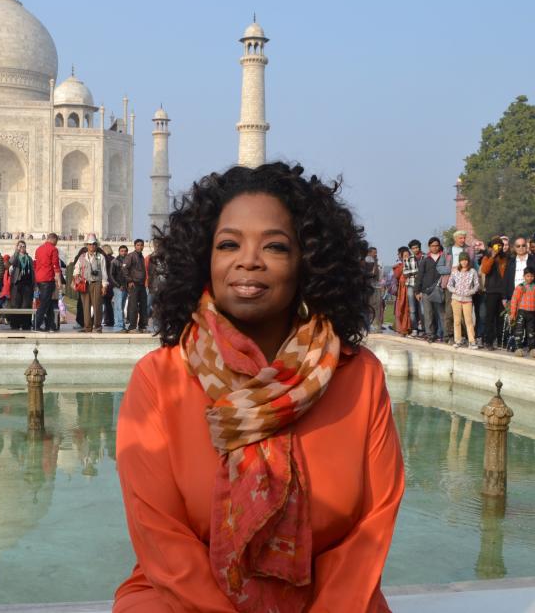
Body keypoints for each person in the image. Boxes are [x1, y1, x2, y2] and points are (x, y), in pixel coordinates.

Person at [115, 163, 403, 612]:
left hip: (331, 597)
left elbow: (371, 527)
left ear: (309, 261)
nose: (248, 259)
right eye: (229, 244)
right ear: (203, 260)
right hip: (182, 598)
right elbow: (162, 540)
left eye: (274, 246)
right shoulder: (160, 378)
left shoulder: (358, 376)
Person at [73, 234, 109, 333]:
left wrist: (104, 285)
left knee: (97, 305)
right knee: (86, 306)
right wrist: (77, 277)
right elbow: (76, 269)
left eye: (94, 244)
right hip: (85, 283)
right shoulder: (82, 256)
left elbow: (104, 272)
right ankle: (88, 327)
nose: (92, 246)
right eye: (90, 244)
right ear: (87, 245)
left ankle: (97, 327)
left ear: (96, 245)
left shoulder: (100, 257)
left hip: (96, 283)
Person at [415, 237, 448, 343]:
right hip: (426, 291)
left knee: (441, 313)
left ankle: (446, 334)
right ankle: (430, 334)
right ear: (429, 247)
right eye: (433, 245)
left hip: (439, 290)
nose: (435, 247)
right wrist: (417, 291)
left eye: (437, 245)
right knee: (428, 313)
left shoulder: (445, 258)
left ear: (439, 246)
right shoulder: (425, 260)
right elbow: (419, 276)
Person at [479, 236, 508, 350]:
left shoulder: (505, 257)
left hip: (503, 291)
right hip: (491, 291)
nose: (498, 247)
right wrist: (492, 256)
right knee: (489, 318)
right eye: (496, 245)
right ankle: (488, 341)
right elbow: (485, 270)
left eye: (500, 245)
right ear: (491, 247)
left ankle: (501, 341)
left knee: (501, 318)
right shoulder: (486, 257)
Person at [447, 252, 479, 349]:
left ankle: (472, 341)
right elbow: (449, 285)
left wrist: (470, 292)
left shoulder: (472, 271)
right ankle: (458, 340)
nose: (464, 262)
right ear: (459, 261)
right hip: (456, 299)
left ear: (468, 261)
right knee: (457, 321)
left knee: (468, 320)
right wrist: (455, 290)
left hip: (467, 299)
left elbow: (477, 285)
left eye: (465, 260)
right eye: (462, 260)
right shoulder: (455, 271)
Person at [509, 268, 535, 357]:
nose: (530, 278)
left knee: (531, 332)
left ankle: (532, 349)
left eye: (531, 276)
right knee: (519, 330)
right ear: (524, 276)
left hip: (532, 312)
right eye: (528, 276)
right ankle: (518, 348)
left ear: (534, 277)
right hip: (522, 312)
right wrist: (512, 313)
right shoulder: (520, 287)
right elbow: (514, 300)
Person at [34, 233, 62, 332]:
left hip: (39, 279)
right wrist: (59, 281)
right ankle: (36, 325)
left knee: (48, 302)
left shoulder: (39, 249)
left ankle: (51, 325)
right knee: (44, 303)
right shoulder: (53, 249)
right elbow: (55, 266)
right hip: (48, 278)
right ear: (54, 239)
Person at [8, 240, 34, 330]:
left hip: (27, 284)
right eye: (20, 246)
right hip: (17, 284)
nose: (22, 248)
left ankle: (26, 324)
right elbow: (11, 262)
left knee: (26, 305)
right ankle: (15, 324)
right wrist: (17, 251)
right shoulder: (16, 257)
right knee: (15, 304)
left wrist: (34, 285)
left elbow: (33, 272)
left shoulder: (29, 258)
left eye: (24, 246)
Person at [124, 239, 148, 333]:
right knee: (133, 306)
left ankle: (142, 326)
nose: (140, 247)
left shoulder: (141, 257)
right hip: (134, 284)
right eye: (138, 245)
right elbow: (124, 269)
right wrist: (129, 280)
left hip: (141, 285)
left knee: (143, 306)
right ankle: (132, 327)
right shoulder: (131, 256)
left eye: (141, 245)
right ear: (135, 246)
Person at [392, 246, 412, 336]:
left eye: (408, 255)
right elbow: (396, 275)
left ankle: (408, 328)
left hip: (410, 287)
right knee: (401, 308)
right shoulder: (399, 266)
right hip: (402, 289)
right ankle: (401, 328)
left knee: (410, 309)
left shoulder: (413, 264)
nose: (406, 257)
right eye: (404, 255)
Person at [110, 244, 129, 332]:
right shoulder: (115, 261)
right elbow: (111, 275)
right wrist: (118, 285)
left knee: (121, 306)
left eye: (125, 251)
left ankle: (121, 325)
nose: (124, 253)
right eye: (122, 251)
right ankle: (119, 325)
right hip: (118, 287)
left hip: (125, 287)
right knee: (118, 307)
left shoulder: (128, 261)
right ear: (119, 251)